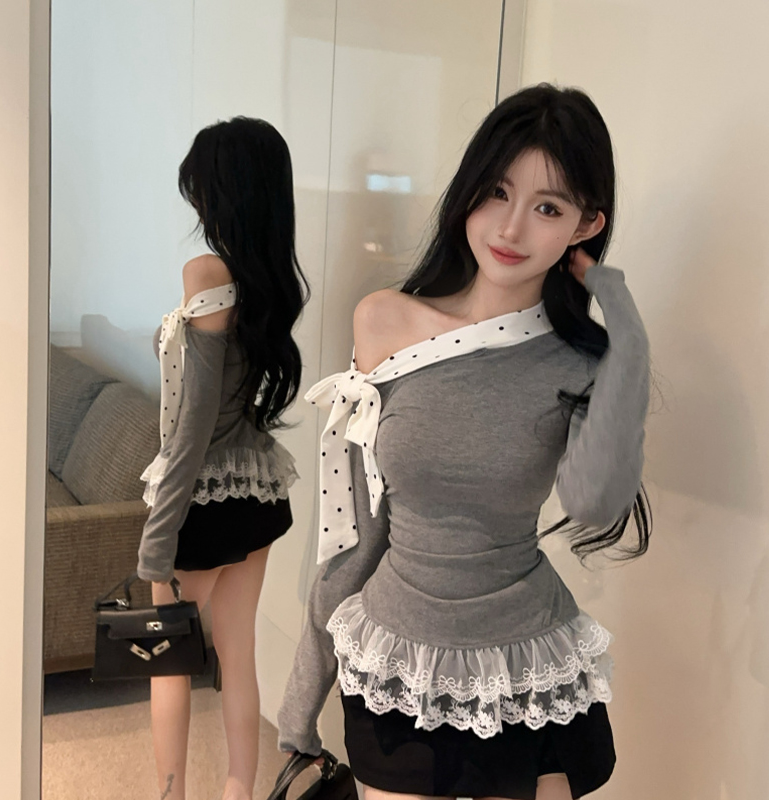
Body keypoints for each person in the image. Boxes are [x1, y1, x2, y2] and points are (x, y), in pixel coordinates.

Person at [277, 83, 652, 800]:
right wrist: (302, 698)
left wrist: (627, 336)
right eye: (497, 192)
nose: (511, 227)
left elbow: (595, 504)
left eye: (548, 208)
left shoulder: (581, 362)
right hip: (400, 669)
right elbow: (357, 530)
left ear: (585, 224)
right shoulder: (383, 321)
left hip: (527, 675)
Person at [137, 117, 309, 800]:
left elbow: (193, 426)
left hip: (201, 502)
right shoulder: (265, 281)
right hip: (255, 490)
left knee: (169, 663)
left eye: (202, 189)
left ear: (225, 193)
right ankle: (239, 792)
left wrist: (159, 535)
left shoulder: (207, 272)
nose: (197, 204)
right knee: (238, 655)